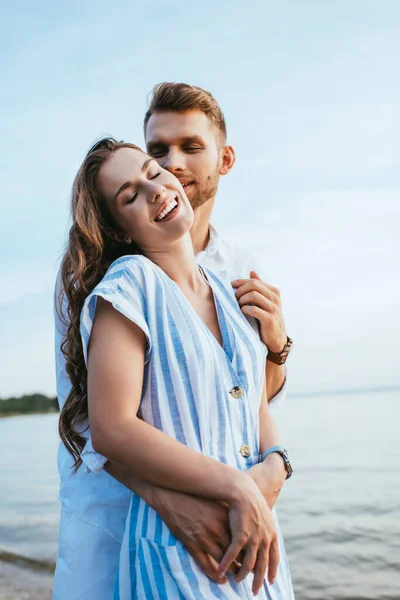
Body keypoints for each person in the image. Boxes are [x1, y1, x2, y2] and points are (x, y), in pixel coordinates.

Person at [54, 84, 293, 599]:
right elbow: (98, 422)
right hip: (151, 533)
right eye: (157, 152)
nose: (167, 171)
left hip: (251, 540)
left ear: (224, 159)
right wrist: (209, 493)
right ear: (116, 228)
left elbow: (250, 397)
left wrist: (278, 465)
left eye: (158, 168)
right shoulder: (121, 284)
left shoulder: (233, 281)